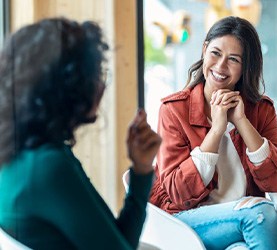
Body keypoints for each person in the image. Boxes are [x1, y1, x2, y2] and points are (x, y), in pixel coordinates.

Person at [0, 17, 161, 249]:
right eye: (97, 74)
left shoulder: (25, 153)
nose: (103, 86)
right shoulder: (48, 167)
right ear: (71, 86)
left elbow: (118, 242)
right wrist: (141, 175)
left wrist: (142, 169)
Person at [149, 16, 277, 250]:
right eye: (215, 53)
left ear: (246, 66)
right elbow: (177, 193)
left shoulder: (261, 110)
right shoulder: (174, 110)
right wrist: (216, 130)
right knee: (260, 213)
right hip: (188, 222)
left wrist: (242, 121)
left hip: (240, 226)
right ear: (204, 49)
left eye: (233, 59)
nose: (221, 67)